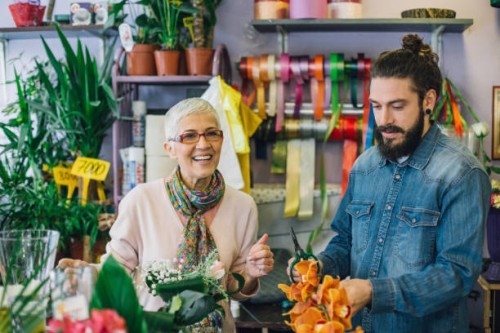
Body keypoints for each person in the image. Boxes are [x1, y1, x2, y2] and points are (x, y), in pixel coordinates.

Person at [289, 34, 491, 332]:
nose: (383, 120)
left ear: (428, 101)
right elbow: (346, 241)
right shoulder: (365, 167)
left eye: (397, 106)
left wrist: (373, 292)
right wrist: (321, 266)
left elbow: (456, 275)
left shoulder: (461, 174)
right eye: (376, 105)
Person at [60, 97, 274, 332]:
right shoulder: (141, 201)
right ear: (169, 148)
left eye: (212, 133)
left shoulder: (243, 207)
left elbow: (232, 287)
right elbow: (117, 269)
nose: (203, 144)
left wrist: (251, 274)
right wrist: (86, 272)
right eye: (189, 136)